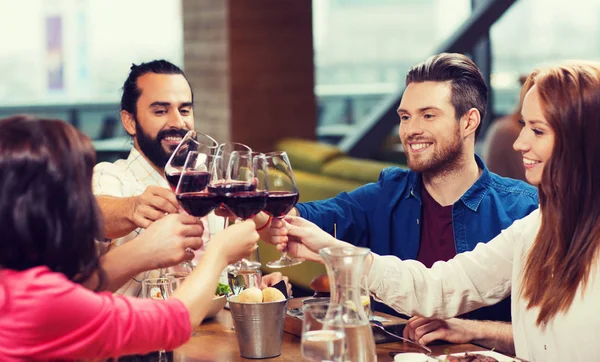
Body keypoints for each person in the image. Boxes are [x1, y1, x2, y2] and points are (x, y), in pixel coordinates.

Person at [272, 61, 600, 361]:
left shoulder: (525, 208)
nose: (518, 143)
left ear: (581, 139)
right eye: (523, 125)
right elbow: (437, 288)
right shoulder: (537, 226)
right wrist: (333, 249)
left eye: (537, 130)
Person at [0, 115, 259, 360]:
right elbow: (173, 322)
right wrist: (219, 252)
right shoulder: (39, 302)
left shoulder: (19, 285)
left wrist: (143, 251)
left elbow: (77, 289)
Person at [93, 60, 288, 296]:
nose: (178, 122)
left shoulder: (210, 180)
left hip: (213, 329)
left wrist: (252, 288)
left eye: (184, 110)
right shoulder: (110, 175)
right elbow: (97, 213)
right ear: (130, 121)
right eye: (160, 111)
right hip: (141, 329)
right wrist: (133, 207)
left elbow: (222, 280)